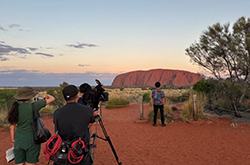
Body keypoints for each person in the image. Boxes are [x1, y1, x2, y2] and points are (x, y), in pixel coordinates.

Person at [7, 86, 55, 165]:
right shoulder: (34, 105)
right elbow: (52, 99)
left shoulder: (14, 108)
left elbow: (12, 127)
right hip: (32, 140)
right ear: (29, 97)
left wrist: (13, 140)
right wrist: (47, 95)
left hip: (19, 140)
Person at [53, 85, 98, 165]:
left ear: (64, 98)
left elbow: (57, 129)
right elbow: (90, 123)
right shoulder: (87, 110)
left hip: (64, 152)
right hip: (81, 151)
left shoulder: (57, 112)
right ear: (77, 96)